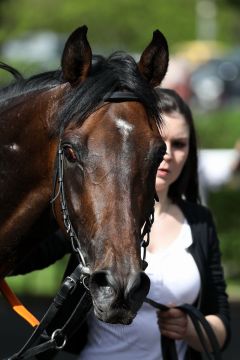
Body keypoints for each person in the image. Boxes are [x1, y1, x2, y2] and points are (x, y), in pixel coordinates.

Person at [11, 89, 230, 359]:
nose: (169, 155)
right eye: (161, 143)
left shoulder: (199, 221)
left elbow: (220, 327)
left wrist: (189, 327)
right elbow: (24, 257)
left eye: (180, 144)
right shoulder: (97, 213)